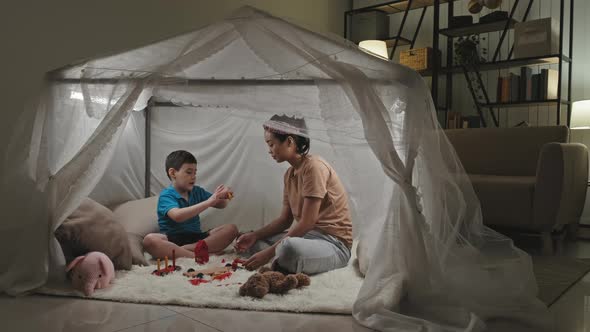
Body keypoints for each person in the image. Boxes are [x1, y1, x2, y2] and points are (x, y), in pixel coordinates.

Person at [235, 115, 352, 274]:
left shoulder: (314, 167)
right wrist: (254, 235)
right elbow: (284, 220)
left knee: (288, 248)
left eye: (271, 144)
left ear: (289, 142)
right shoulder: (289, 174)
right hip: (306, 238)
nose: (269, 150)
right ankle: (278, 260)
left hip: (333, 244)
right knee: (254, 241)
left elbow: (307, 223)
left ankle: (278, 259)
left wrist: (268, 253)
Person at [143, 150, 238, 263]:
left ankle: (183, 251)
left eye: (195, 173)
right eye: (189, 172)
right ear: (173, 173)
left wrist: (227, 195)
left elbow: (221, 205)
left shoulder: (197, 191)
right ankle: (195, 255)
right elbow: (178, 216)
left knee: (231, 229)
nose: (193, 177)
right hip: (173, 239)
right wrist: (208, 202)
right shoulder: (166, 195)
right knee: (149, 240)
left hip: (197, 238)